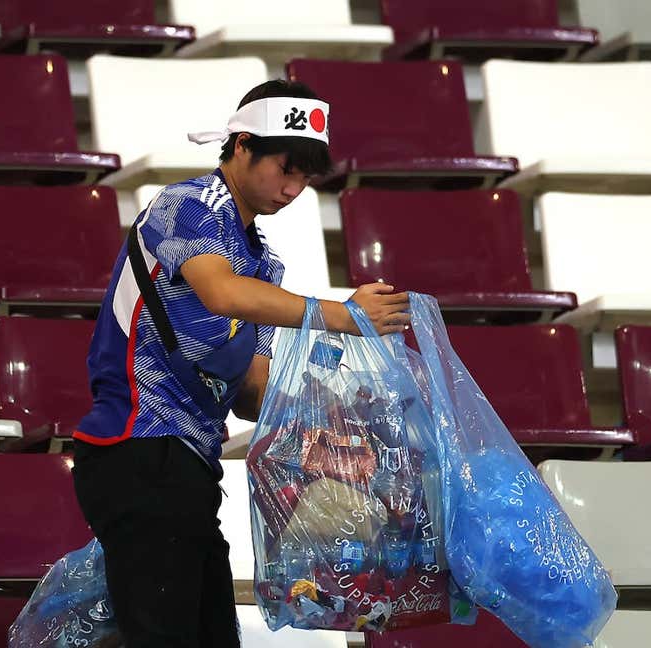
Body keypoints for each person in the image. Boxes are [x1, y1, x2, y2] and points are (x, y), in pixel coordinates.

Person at [71, 79, 411, 648]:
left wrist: (329, 424)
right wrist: (342, 314)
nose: (293, 188)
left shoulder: (265, 263)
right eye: (286, 167)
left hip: (189, 466)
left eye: (305, 177)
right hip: (138, 444)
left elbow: (252, 388)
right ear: (242, 146)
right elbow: (221, 295)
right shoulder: (186, 204)